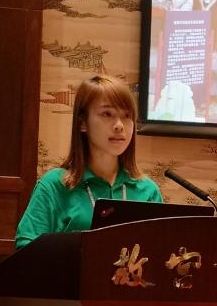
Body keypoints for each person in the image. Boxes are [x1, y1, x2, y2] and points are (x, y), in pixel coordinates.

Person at [16, 75, 162, 246]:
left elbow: (161, 250)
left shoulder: (148, 191)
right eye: (107, 114)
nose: (119, 125)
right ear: (83, 123)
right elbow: (26, 247)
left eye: (127, 116)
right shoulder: (54, 185)